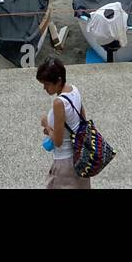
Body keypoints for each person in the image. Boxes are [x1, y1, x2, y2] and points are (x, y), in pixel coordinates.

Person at [37, 55, 90, 190]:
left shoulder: (59, 103)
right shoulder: (74, 90)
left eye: (47, 84)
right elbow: (82, 118)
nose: (44, 88)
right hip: (80, 157)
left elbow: (58, 142)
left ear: (59, 81)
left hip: (65, 163)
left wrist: (47, 126)